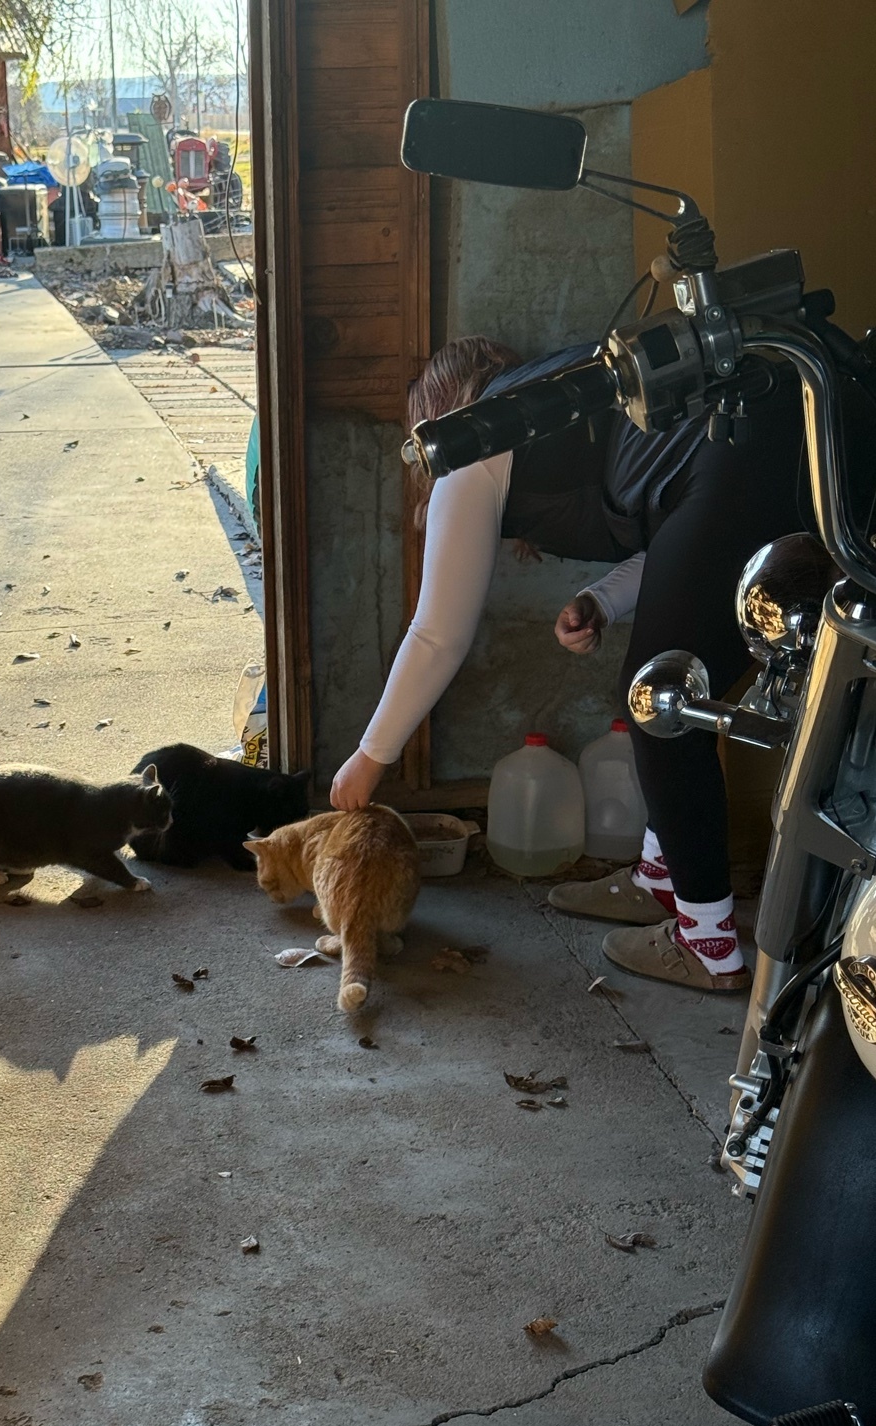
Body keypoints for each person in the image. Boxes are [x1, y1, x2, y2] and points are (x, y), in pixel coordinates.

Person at [330, 336, 808, 994]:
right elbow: (681, 521)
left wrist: (369, 756)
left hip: (737, 461)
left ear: (439, 411)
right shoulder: (563, 400)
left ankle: (706, 944)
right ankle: (661, 879)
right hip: (777, 452)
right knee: (677, 703)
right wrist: (601, 600)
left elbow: (436, 634)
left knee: (658, 703)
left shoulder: (476, 436)